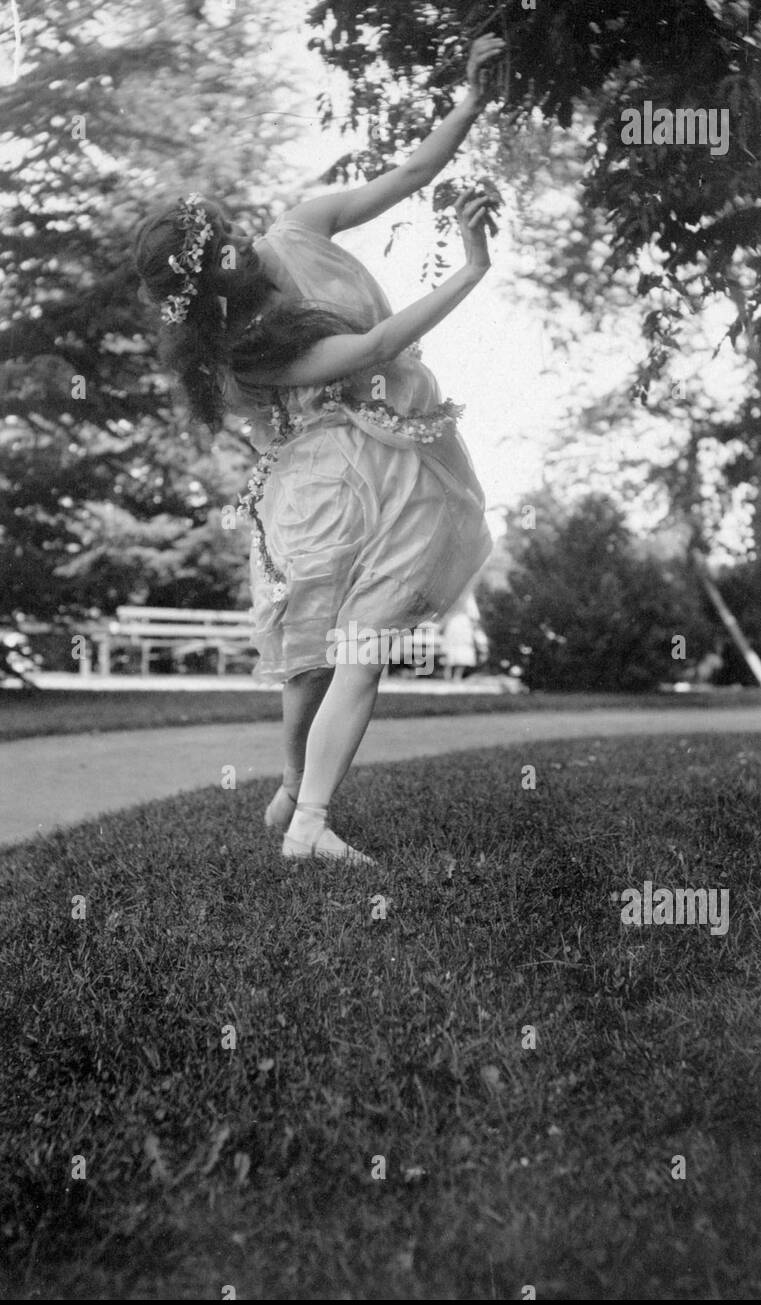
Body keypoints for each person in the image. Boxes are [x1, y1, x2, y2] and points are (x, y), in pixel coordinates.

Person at [133, 34, 505, 865]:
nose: (238, 258)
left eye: (225, 241)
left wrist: (470, 101)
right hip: (324, 486)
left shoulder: (297, 223)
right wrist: (471, 269)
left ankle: (295, 803)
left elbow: (409, 175)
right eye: (218, 265)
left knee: (326, 663)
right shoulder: (248, 350)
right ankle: (307, 822)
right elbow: (373, 351)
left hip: (358, 466)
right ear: (206, 291)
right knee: (336, 659)